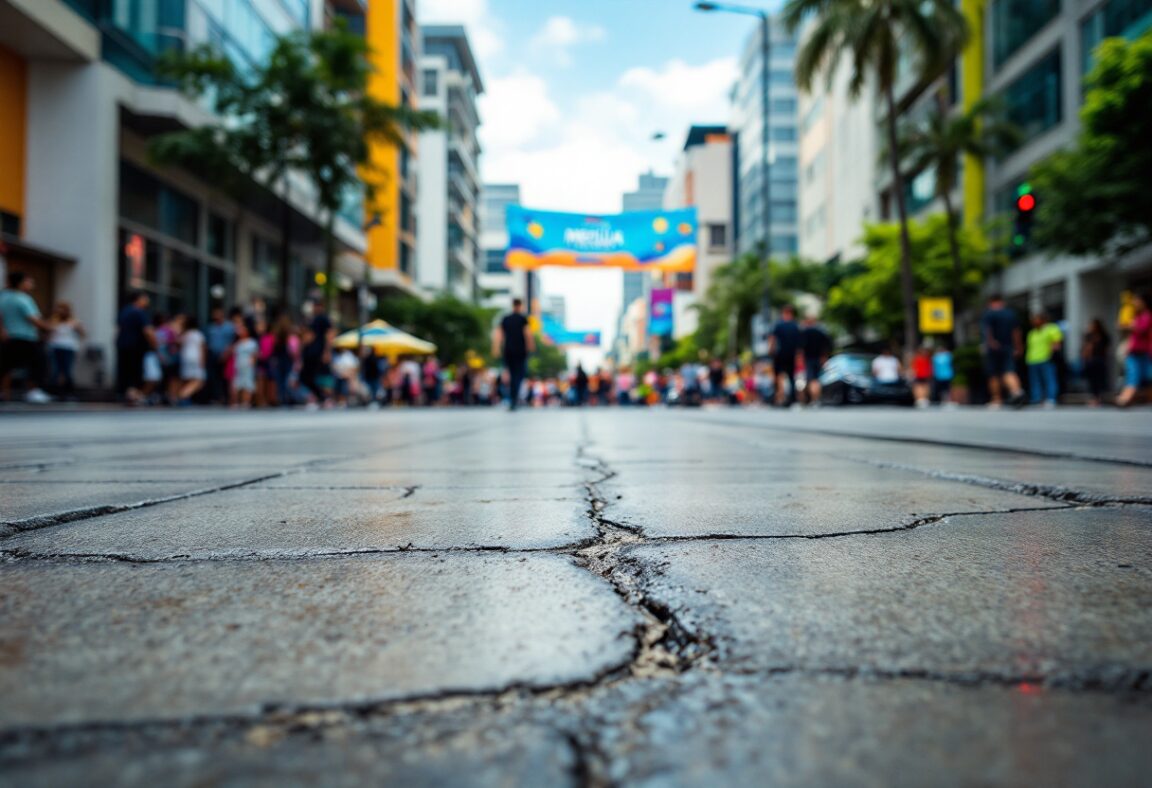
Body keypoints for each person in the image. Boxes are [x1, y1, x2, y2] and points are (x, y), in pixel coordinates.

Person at [0, 271, 52, 403]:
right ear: (21, 283)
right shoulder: (23, 298)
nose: (31, 284)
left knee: (5, 366)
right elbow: (33, 318)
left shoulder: (3, 296)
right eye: (29, 281)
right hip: (26, 337)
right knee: (38, 362)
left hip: (8, 337)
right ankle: (33, 391)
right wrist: (48, 327)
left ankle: (4, 393)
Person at [980, 294, 1026, 408]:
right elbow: (1016, 332)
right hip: (1009, 347)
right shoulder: (1010, 314)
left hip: (994, 348)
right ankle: (1017, 391)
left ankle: (996, 399)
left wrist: (990, 343)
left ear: (991, 302)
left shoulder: (989, 313)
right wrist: (1018, 347)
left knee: (993, 374)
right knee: (1009, 370)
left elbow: (987, 330)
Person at [492, 298, 534, 411]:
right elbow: (528, 334)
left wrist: (496, 348)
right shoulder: (523, 319)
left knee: (511, 374)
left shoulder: (505, 319)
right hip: (520, 351)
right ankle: (514, 399)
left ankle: (512, 399)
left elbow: (499, 334)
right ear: (520, 306)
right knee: (518, 375)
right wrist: (531, 347)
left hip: (508, 350)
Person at [115, 291, 153, 404]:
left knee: (124, 370)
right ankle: (133, 394)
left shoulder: (124, 311)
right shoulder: (139, 312)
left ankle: (124, 393)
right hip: (136, 346)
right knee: (135, 371)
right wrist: (155, 345)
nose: (147, 301)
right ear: (138, 299)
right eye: (145, 298)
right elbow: (147, 331)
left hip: (123, 344)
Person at [1116, 292, 1151, 408]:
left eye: (1137, 301)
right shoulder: (1138, 316)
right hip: (1135, 352)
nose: (1135, 303)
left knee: (1146, 376)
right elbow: (1133, 336)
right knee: (1133, 375)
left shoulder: (1146, 316)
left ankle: (1128, 398)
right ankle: (1124, 398)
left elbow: (1141, 330)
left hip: (1144, 352)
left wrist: (1129, 325)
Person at [46, 301, 85, 399]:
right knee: (55, 370)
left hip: (68, 348)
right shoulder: (53, 321)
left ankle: (69, 393)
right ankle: (55, 392)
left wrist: (77, 329)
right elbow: (47, 334)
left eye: (62, 309)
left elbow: (82, 334)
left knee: (67, 370)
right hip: (55, 347)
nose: (60, 311)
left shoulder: (73, 321)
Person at [1025, 312, 1063, 407]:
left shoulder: (1051, 328)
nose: (1034, 321)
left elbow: (1056, 343)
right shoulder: (1032, 332)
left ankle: (1051, 398)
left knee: (1049, 379)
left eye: (1036, 319)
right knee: (1035, 381)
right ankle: (1036, 399)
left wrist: (1053, 352)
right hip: (1032, 360)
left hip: (1046, 358)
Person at [767, 305, 801, 407]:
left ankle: (779, 398)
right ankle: (793, 399)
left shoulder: (779, 325)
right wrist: (798, 356)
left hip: (780, 354)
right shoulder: (795, 326)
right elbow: (799, 343)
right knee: (791, 377)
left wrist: (770, 350)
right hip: (791, 355)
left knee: (778, 376)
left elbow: (772, 339)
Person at [204, 307, 236, 404]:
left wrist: (226, 353)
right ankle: (217, 397)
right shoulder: (211, 328)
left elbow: (233, 341)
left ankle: (226, 397)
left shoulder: (229, 327)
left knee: (225, 377)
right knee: (214, 378)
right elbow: (207, 342)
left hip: (225, 355)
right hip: (213, 355)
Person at [799, 314, 831, 405]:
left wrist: (800, 358)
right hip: (819, 358)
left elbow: (800, 347)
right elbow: (827, 345)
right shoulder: (821, 332)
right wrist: (824, 357)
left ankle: (814, 399)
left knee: (812, 379)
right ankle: (818, 398)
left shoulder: (804, 332)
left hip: (809, 358)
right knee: (817, 379)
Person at [1081, 318, 1111, 407]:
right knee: (1092, 380)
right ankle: (1094, 397)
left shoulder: (1103, 335)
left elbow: (1106, 348)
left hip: (1100, 359)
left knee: (1100, 379)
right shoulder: (1088, 335)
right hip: (1090, 360)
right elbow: (1085, 348)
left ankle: (1099, 397)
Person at [178, 315, 207, 405]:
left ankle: (185, 397)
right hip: (195, 358)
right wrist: (202, 361)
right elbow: (202, 348)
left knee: (189, 379)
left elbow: (178, 344)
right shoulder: (198, 334)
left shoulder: (185, 334)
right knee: (199, 380)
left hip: (185, 358)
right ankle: (183, 395)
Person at [230, 320, 258, 408]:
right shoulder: (237, 343)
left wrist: (252, 362)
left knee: (248, 383)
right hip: (238, 366)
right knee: (237, 384)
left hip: (248, 366)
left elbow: (255, 354)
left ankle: (246, 402)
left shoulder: (252, 343)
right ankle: (236, 401)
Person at [932, 342, 956, 407]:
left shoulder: (947, 355)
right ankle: (943, 400)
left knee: (947, 389)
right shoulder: (937, 357)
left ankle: (948, 400)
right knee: (942, 389)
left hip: (947, 375)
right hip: (940, 375)